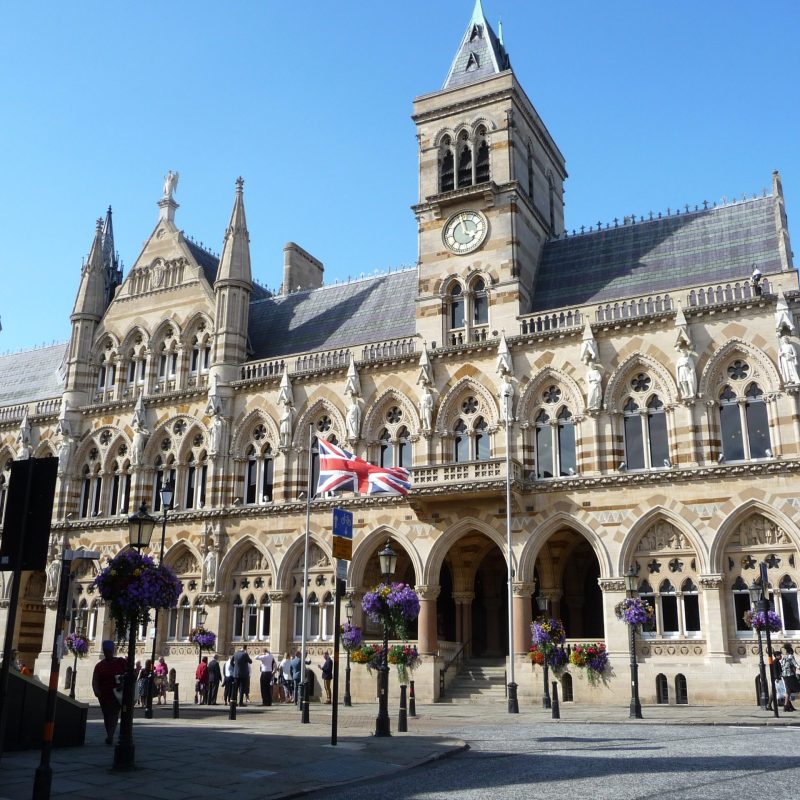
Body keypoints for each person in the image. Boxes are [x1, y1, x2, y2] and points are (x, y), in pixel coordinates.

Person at [92, 640, 126, 745]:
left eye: (109, 651)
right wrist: (96, 690)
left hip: (116, 694)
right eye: (106, 651)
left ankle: (110, 735)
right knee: (106, 715)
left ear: (113, 651)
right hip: (103, 694)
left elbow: (129, 674)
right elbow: (95, 679)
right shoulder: (99, 666)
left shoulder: (120, 662)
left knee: (114, 714)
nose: (107, 653)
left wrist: (123, 683)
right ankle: (109, 733)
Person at [782, 643, 799, 712]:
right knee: (798, 688)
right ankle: (786, 706)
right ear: (791, 652)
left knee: (788, 691)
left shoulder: (784, 657)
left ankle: (786, 706)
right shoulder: (791, 656)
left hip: (785, 676)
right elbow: (796, 665)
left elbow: (782, 666)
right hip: (790, 676)